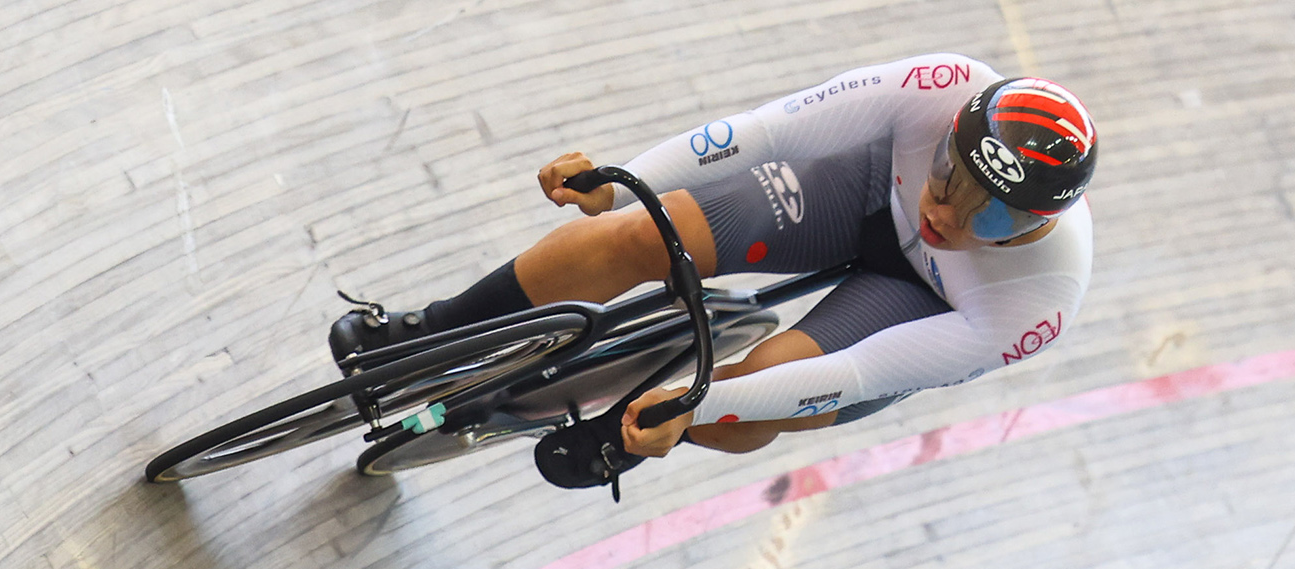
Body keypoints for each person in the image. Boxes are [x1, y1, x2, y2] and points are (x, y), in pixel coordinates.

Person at [330, 57, 1096, 472]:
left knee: (758, 387)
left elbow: (854, 377)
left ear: (1039, 222)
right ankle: (422, 334)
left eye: (988, 213)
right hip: (863, 189)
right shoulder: (941, 86)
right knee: (641, 236)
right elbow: (765, 133)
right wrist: (621, 178)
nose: (946, 213)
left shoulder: (1040, 299)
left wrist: (695, 409)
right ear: (952, 130)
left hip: (919, 306)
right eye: (945, 174)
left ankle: (629, 438)